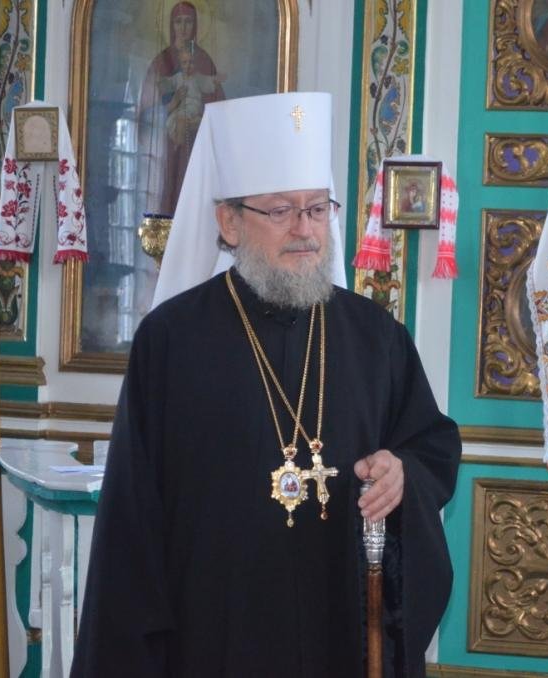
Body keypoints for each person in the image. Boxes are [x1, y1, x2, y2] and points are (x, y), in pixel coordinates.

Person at [72, 92, 462, 677]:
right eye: (281, 211)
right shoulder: (171, 341)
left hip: (339, 629)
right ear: (229, 222)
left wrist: (403, 473)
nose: (305, 230)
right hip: (214, 634)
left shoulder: (376, 336)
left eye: (316, 209)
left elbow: (432, 447)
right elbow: (132, 521)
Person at [138, 1, 225, 215]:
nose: (183, 27)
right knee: (168, 184)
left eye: (188, 21)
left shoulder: (204, 60)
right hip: (166, 143)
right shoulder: (161, 62)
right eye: (178, 22)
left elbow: (218, 107)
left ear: (195, 25)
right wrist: (172, 105)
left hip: (197, 140)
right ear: (171, 25)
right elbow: (146, 110)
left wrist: (199, 121)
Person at [162, 49, 226, 147]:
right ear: (180, 64)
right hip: (181, 107)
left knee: (181, 120)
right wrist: (160, 82)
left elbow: (207, 82)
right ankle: (177, 140)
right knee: (169, 121)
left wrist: (215, 80)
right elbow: (168, 83)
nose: (188, 65)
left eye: (191, 62)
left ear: (195, 64)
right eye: (184, 63)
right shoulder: (177, 77)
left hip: (193, 106)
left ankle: (179, 143)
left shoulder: (197, 78)